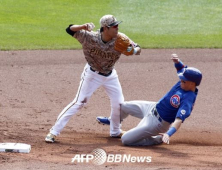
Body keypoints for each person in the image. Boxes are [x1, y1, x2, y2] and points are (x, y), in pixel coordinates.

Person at [45, 15, 141, 143]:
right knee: (79, 102)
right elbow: (69, 29)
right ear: (105, 28)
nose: (117, 28)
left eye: (117, 25)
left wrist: (132, 50)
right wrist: (83, 26)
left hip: (110, 75)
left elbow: (138, 49)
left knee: (119, 104)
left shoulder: (120, 38)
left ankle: (115, 131)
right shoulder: (89, 37)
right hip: (92, 75)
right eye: (114, 26)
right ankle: (53, 132)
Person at [97, 54, 202, 146]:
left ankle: (157, 140)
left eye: (183, 81)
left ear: (192, 83)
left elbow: (179, 120)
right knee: (122, 107)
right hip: (152, 107)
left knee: (126, 139)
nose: (180, 81)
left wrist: (168, 134)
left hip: (158, 123)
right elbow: (181, 69)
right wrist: (177, 62)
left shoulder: (188, 99)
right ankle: (113, 120)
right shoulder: (185, 83)